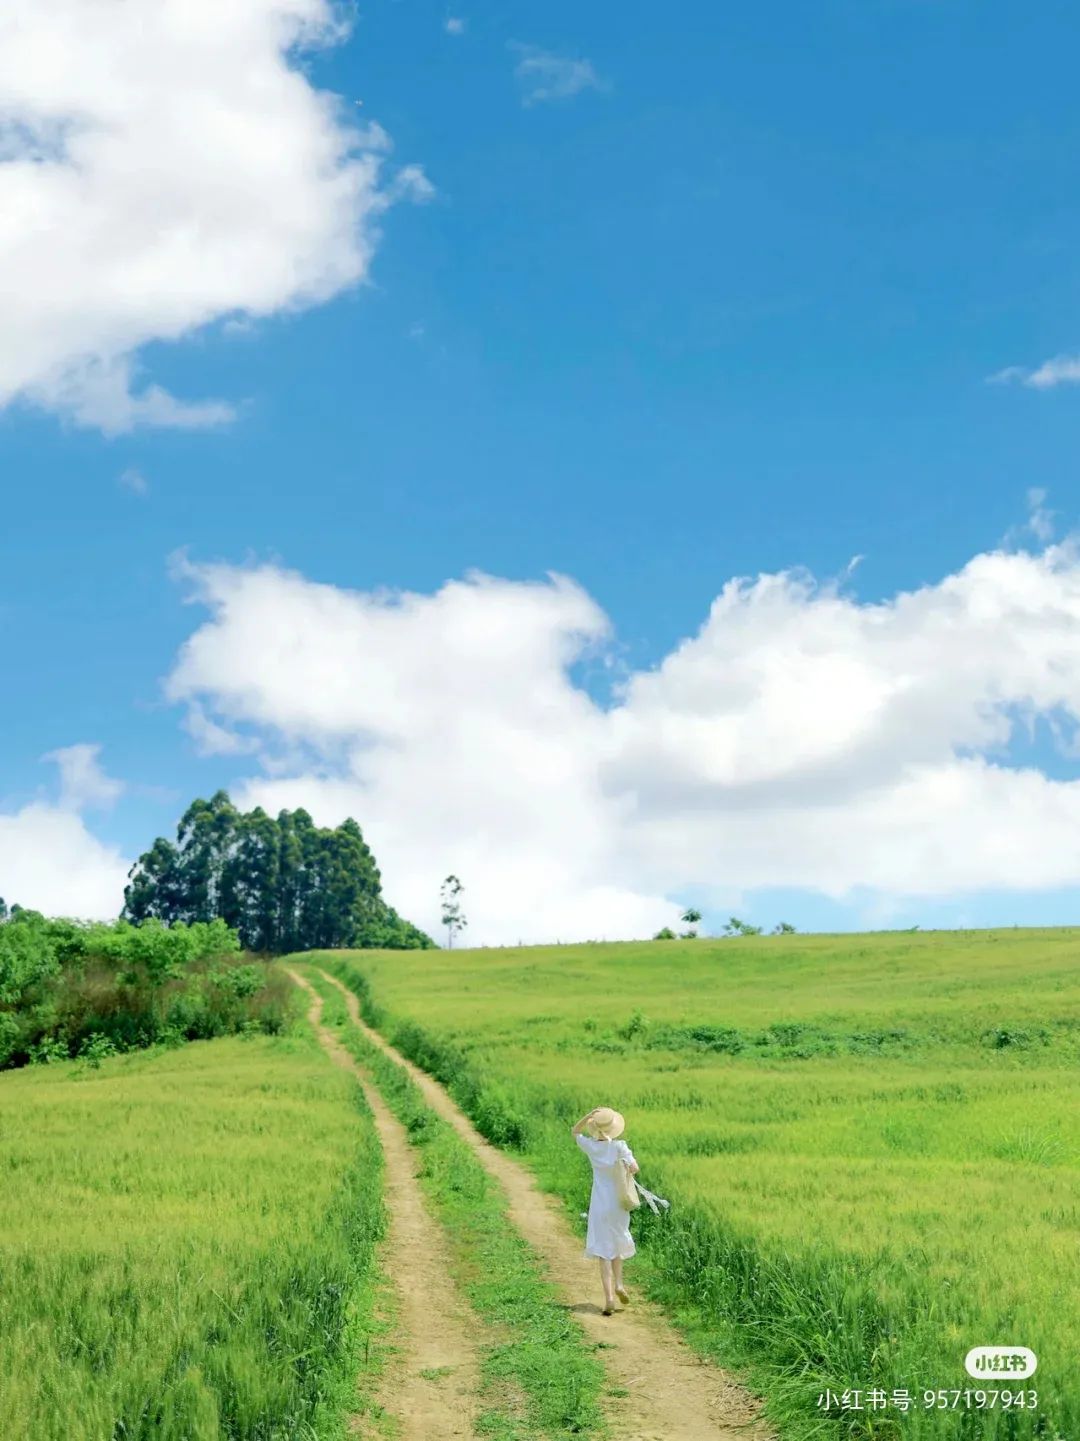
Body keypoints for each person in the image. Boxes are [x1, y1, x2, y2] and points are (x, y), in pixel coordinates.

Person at [571, 1105, 639, 1315]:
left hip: (599, 1202)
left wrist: (588, 1116)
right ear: (613, 1128)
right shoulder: (619, 1146)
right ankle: (619, 1284)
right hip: (618, 1202)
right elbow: (635, 1168)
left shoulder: (591, 1146)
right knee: (617, 1243)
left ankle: (609, 1298)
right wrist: (625, 1167)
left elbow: (574, 1131)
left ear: (594, 1127)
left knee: (603, 1250)